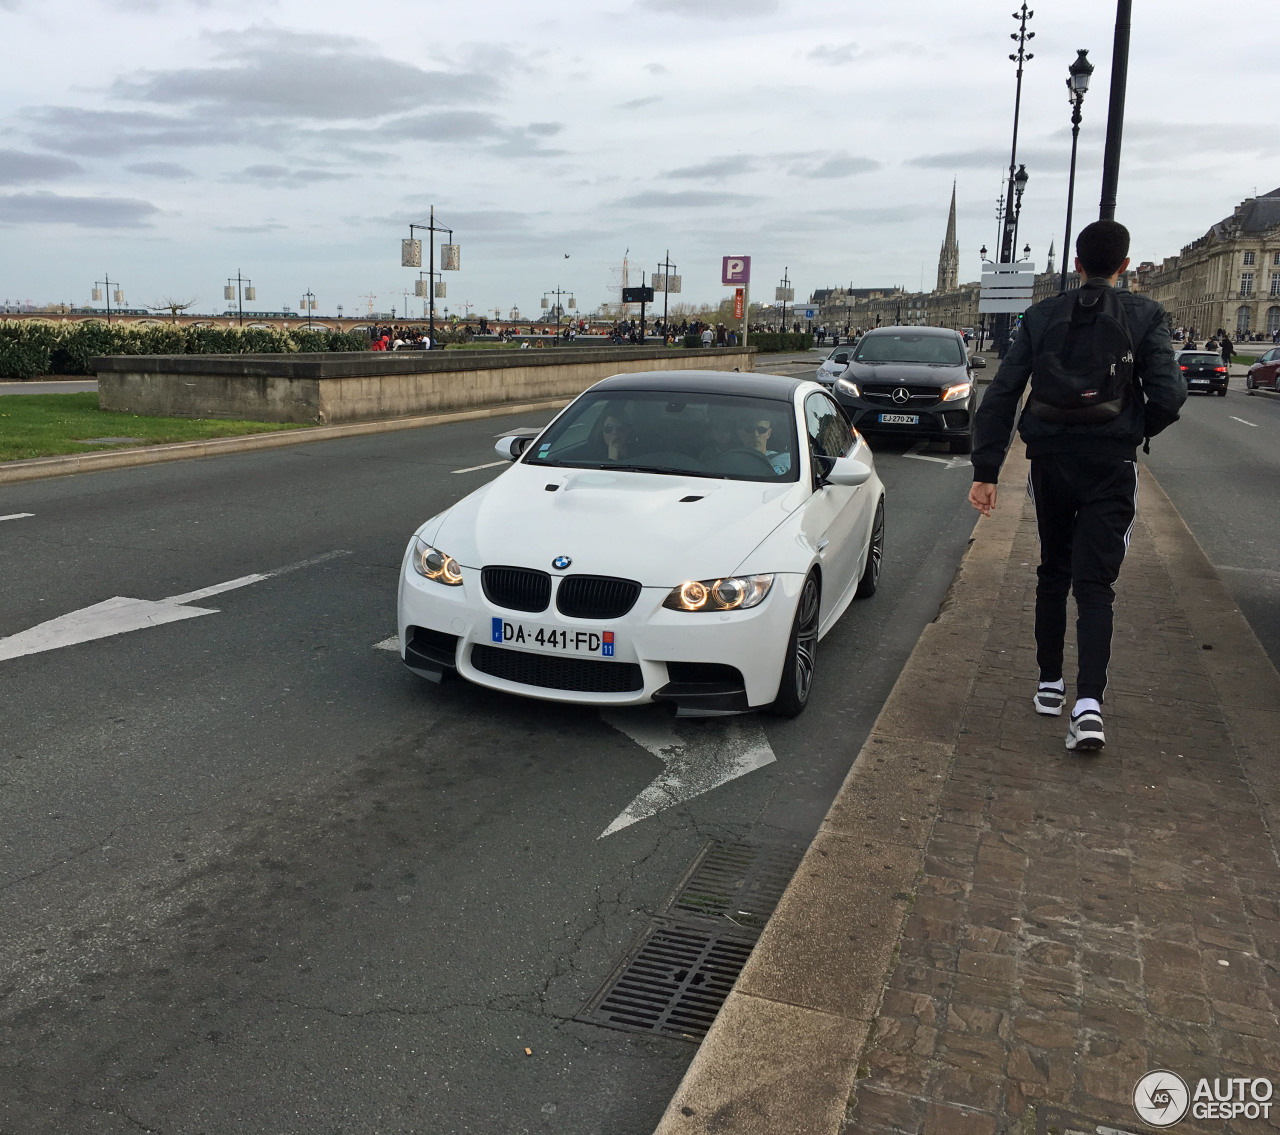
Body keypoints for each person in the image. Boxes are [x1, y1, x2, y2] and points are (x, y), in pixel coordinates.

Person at [968, 220, 1186, 753]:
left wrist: (987, 470)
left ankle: (1048, 684)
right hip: (1110, 462)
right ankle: (1088, 706)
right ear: (1125, 265)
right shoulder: (1143, 314)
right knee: (1096, 585)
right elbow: (1169, 394)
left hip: (1051, 460)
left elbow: (1002, 392)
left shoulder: (1042, 315)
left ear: (1077, 264)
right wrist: (1132, 428)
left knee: (1052, 570)